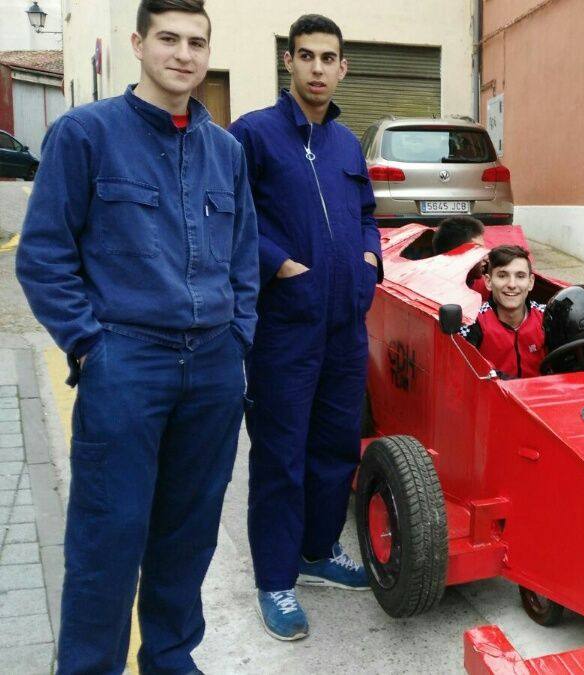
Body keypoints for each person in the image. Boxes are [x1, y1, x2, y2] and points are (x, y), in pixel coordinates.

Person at [15, 1, 258, 671]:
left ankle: (171, 655)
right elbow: (41, 255)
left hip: (212, 370)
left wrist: (238, 337)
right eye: (169, 39)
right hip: (126, 364)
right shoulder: (84, 136)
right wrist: (90, 346)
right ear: (138, 44)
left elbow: (243, 257)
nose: (184, 54)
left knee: (187, 532)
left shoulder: (226, 152)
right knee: (108, 535)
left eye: (196, 42)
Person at [228, 14, 381, 641]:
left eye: (330, 58)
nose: (318, 68)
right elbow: (230, 218)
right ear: (288, 62)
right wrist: (278, 264)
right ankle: (275, 579)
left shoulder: (347, 145)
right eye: (307, 56)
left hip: (346, 327)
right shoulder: (254, 136)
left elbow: (369, 212)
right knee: (281, 455)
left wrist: (371, 260)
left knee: (336, 447)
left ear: (343, 68)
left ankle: (318, 552)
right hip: (284, 327)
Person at [461, 244, 545, 378]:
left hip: (545, 397)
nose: (512, 284)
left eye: (520, 276)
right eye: (502, 276)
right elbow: (466, 373)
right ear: (488, 281)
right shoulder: (472, 322)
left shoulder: (547, 316)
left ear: (531, 282)